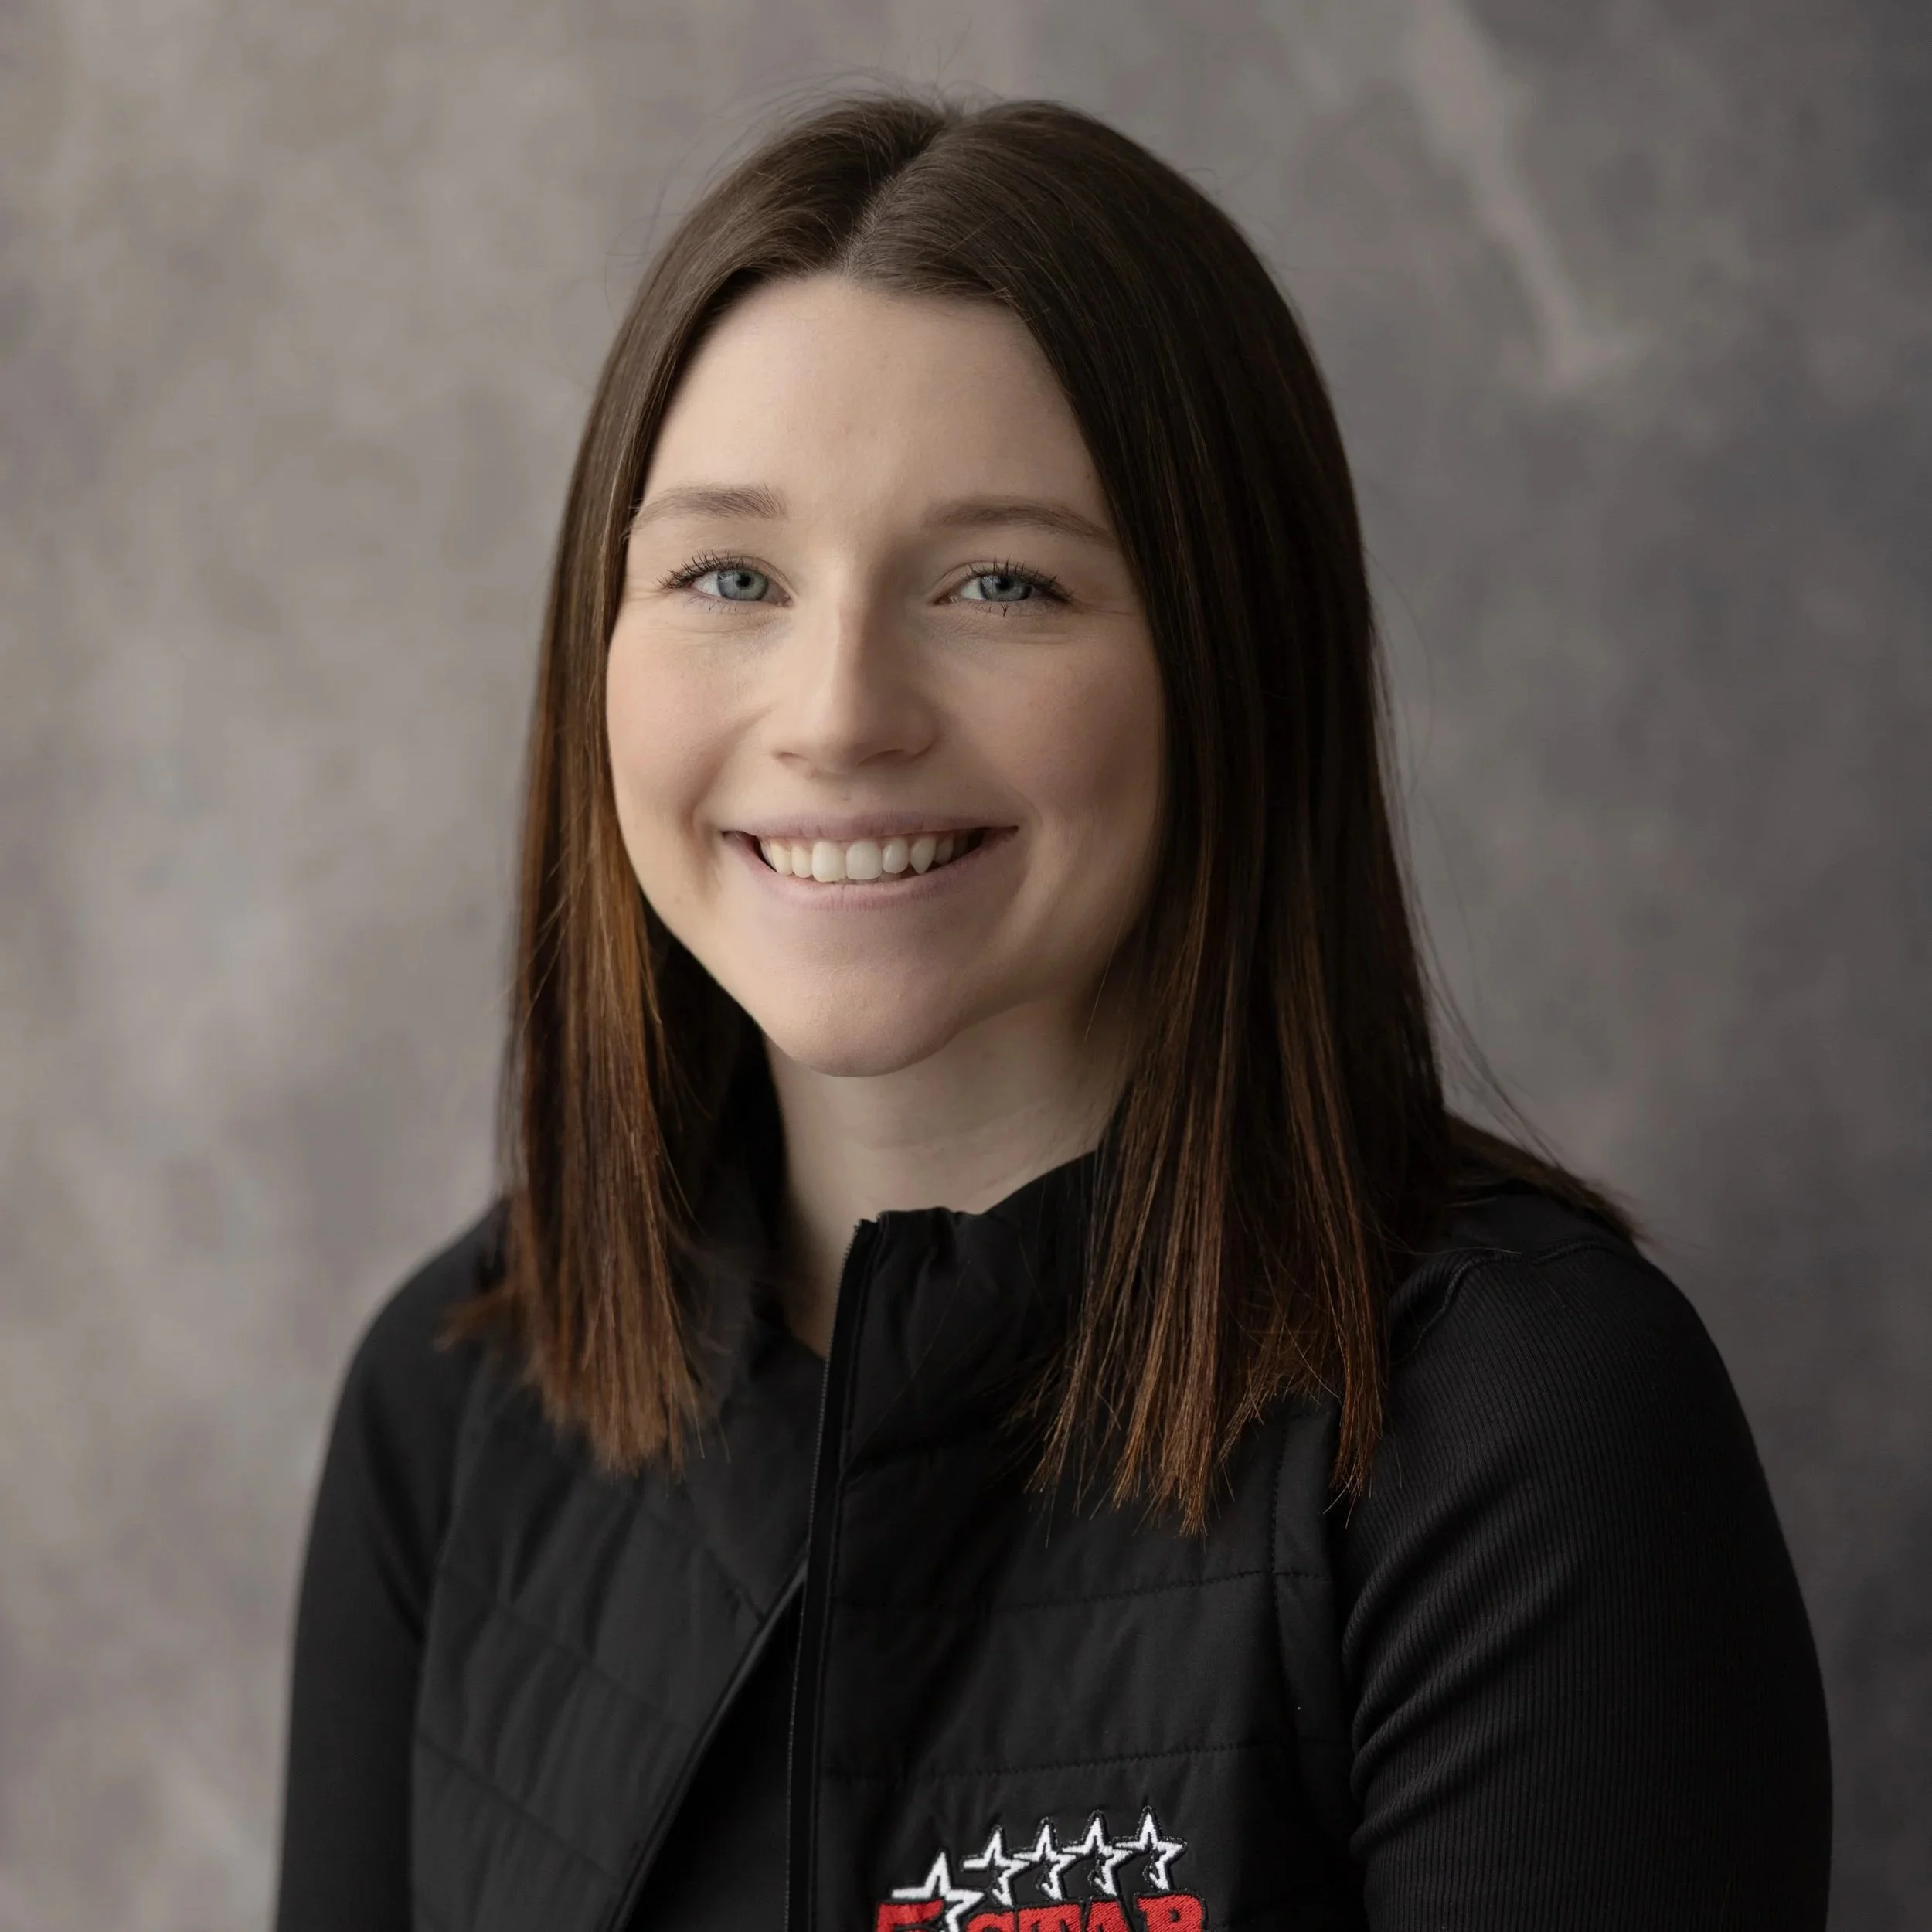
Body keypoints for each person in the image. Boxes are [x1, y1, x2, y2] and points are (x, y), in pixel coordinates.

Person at [273, 94, 1831, 1932]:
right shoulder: (453, 1396)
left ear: (1230, 663)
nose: (837, 712)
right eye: (729, 576)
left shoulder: (1520, 1427)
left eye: (998, 582)